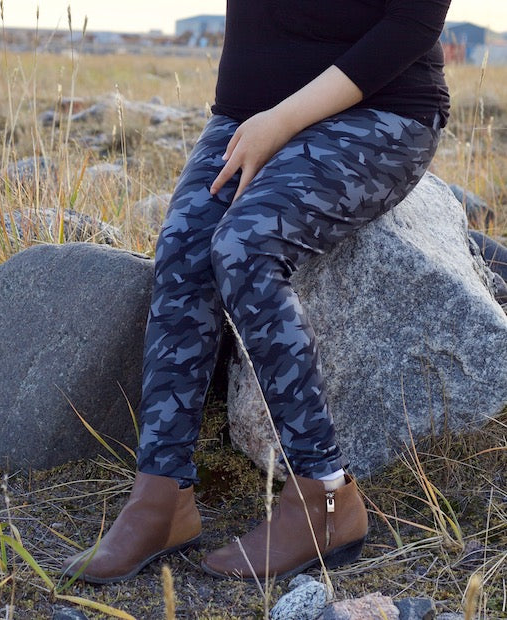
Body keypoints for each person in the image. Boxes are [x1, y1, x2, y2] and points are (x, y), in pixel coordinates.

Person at [62, 0, 451, 583]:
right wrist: (265, 119)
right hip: (245, 115)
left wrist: (283, 120)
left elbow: (411, 23)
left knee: (244, 247)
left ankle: (325, 499)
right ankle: (161, 498)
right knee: (184, 252)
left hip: (378, 113)